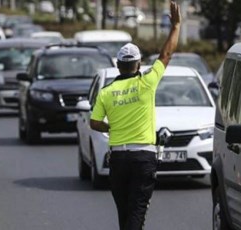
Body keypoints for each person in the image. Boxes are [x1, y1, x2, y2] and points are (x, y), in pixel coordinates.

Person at [89, 1, 181, 230]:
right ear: (139, 64)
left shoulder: (107, 92)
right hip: (143, 159)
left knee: (125, 213)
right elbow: (166, 54)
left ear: (118, 66)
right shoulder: (147, 82)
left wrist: (111, 128)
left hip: (118, 160)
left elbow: (94, 122)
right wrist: (176, 26)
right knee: (137, 211)